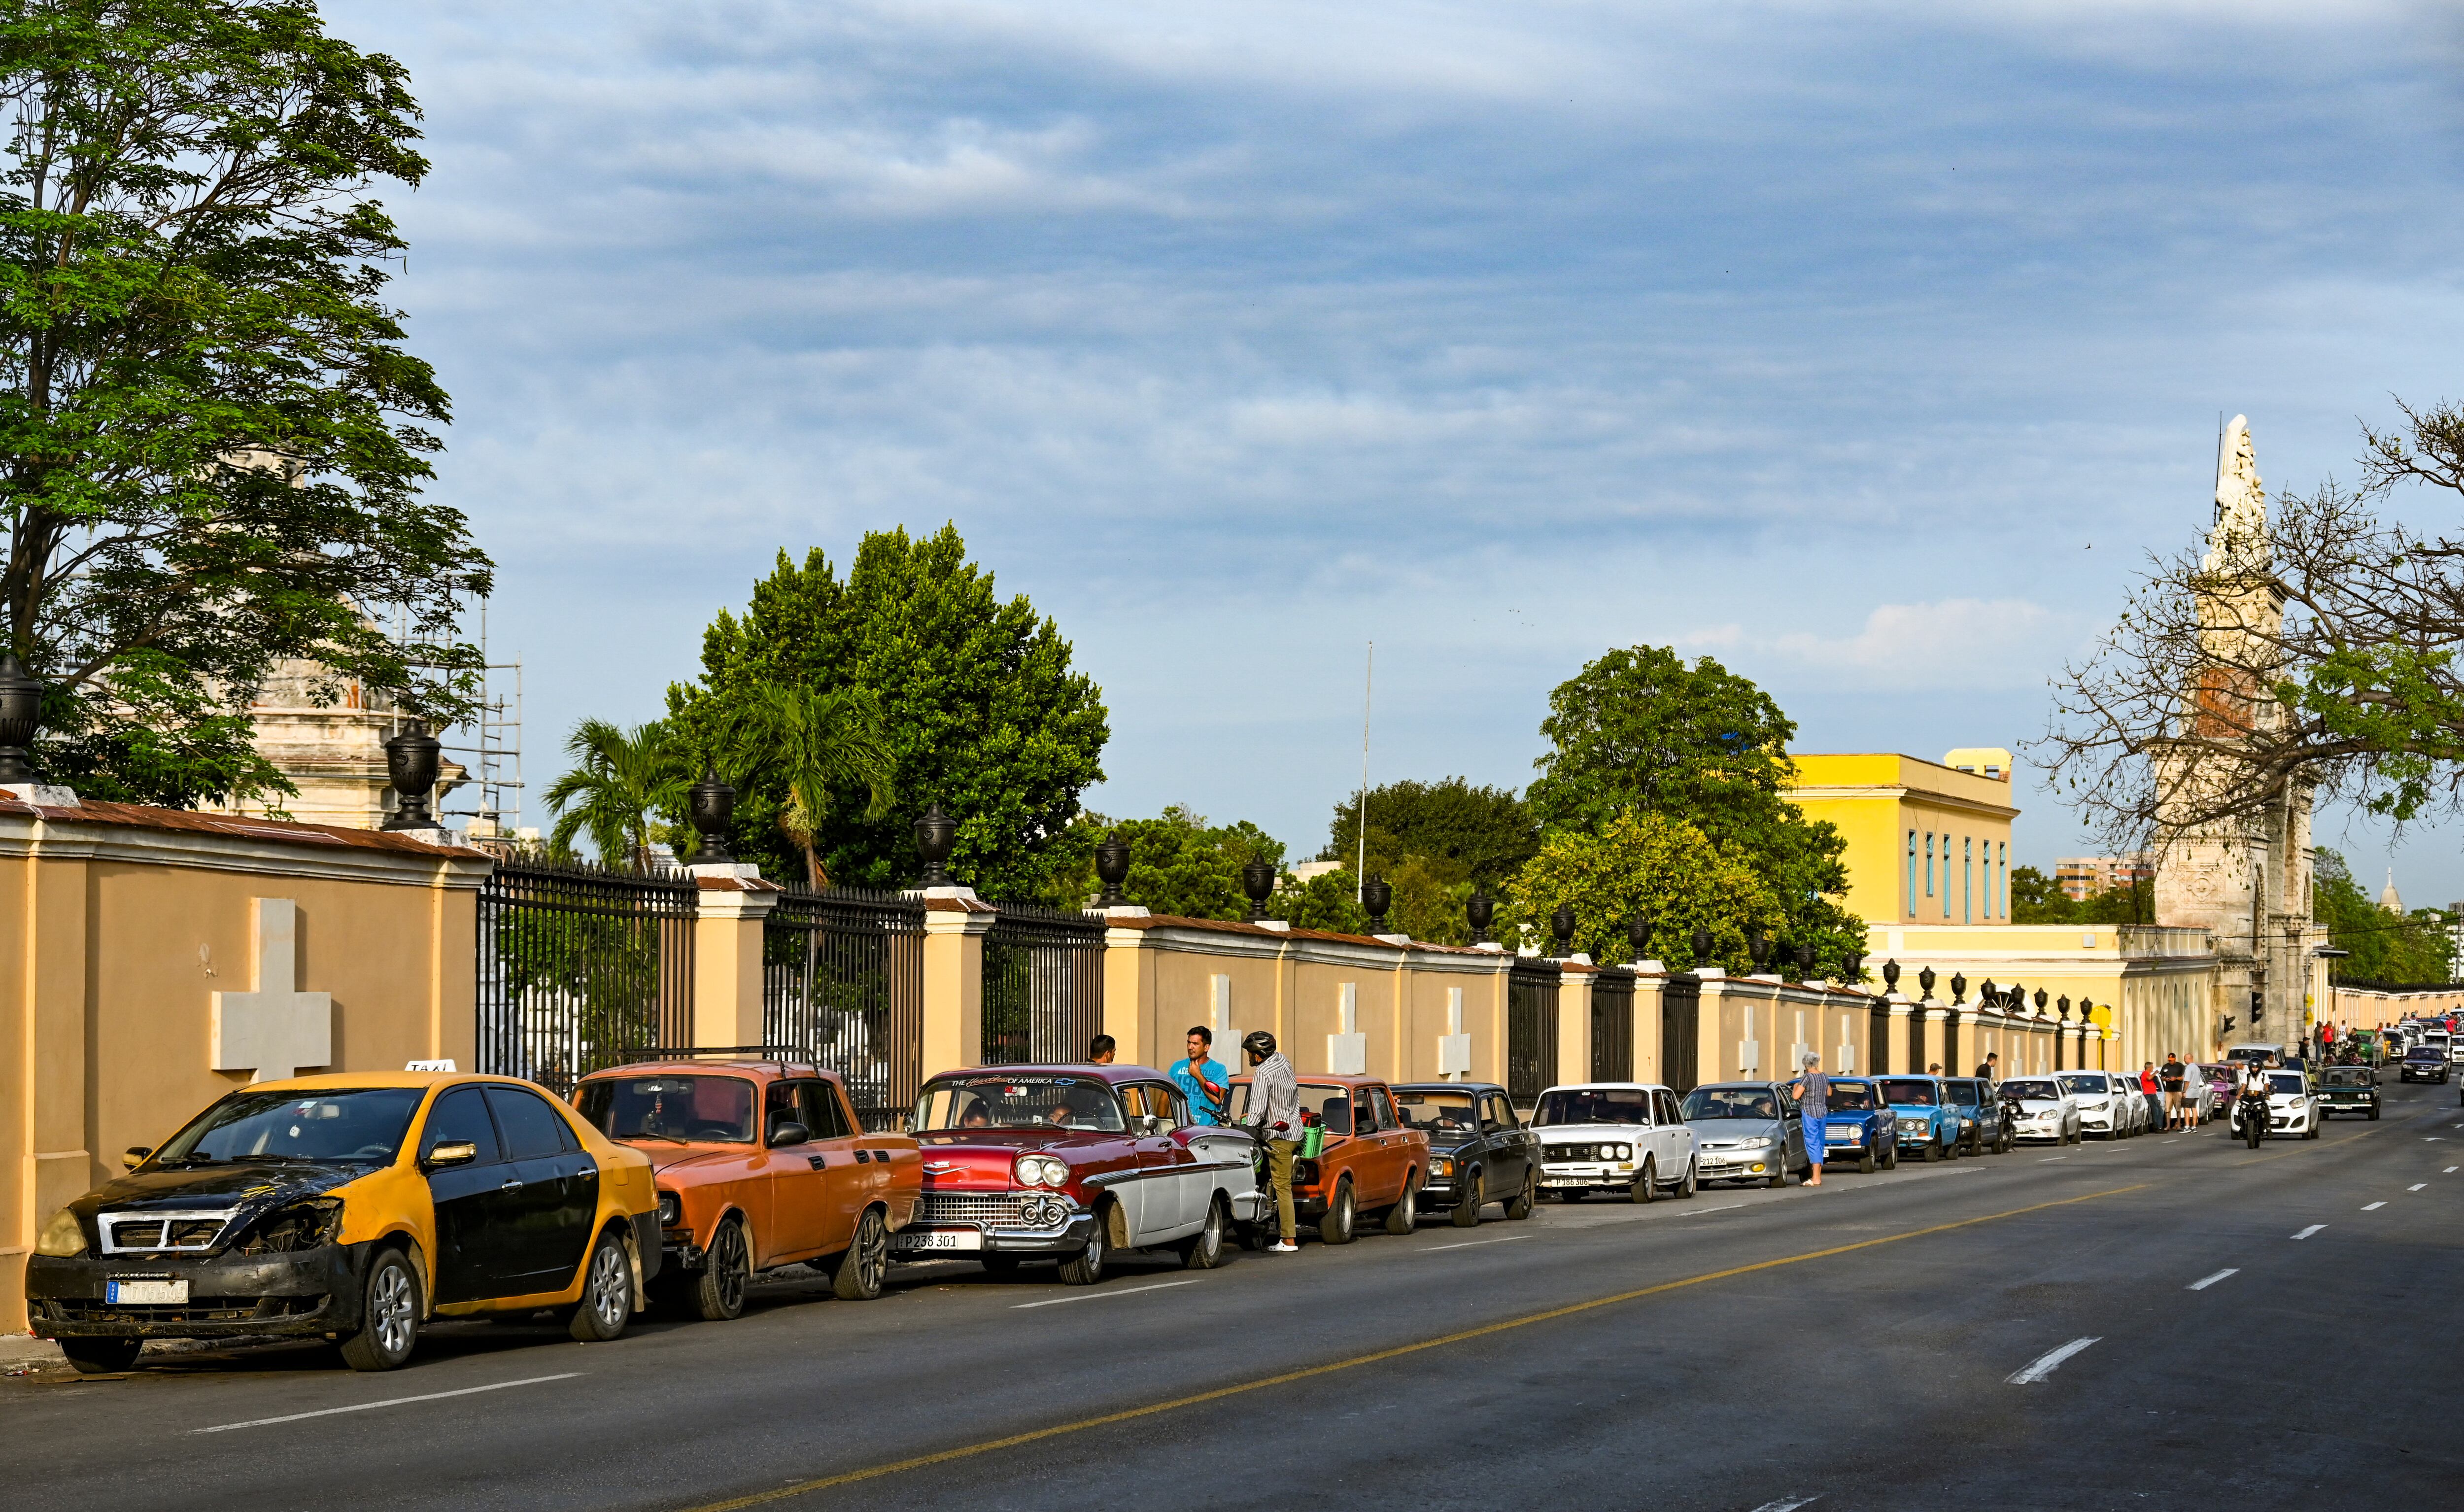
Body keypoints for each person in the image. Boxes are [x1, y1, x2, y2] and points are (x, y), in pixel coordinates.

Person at [1236, 1030, 1301, 1252]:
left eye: (1250, 1053)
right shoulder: (1283, 1061)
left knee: (1283, 1187)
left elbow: (1257, 1109)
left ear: (1259, 1054)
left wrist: (1247, 1128)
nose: (1249, 1057)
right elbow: (1288, 1097)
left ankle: (1289, 1240)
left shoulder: (1263, 1072)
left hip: (1278, 1137)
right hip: (1294, 1130)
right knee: (1275, 1181)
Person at [1169, 1026, 1231, 1125]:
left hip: (1207, 1130)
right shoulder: (1177, 1067)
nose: (1190, 1047)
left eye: (1195, 1044)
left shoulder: (1219, 1069)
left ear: (1206, 1048)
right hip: (1181, 1128)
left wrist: (1198, 1075)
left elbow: (1217, 1099)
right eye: (1189, 1043)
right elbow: (1165, 1099)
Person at [1786, 1052, 1828, 1188]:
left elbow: (1796, 1096)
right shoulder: (1824, 1076)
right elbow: (1829, 1092)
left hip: (1810, 1113)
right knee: (1820, 1143)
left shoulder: (1807, 1077)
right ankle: (1818, 1176)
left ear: (1806, 1064)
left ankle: (1815, 1178)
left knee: (1812, 1143)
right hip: (1823, 1112)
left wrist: (1795, 1088)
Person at [2159, 1053, 2187, 1130]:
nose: (2171, 1062)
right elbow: (2162, 1077)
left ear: (2175, 1059)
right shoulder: (2166, 1066)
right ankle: (2168, 1126)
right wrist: (2166, 1079)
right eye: (2170, 1060)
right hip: (2168, 1091)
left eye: (2172, 1060)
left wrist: (2176, 1078)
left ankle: (2179, 1125)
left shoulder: (2180, 1066)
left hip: (2177, 1090)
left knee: (2178, 1108)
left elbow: (2184, 1077)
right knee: (2168, 1109)